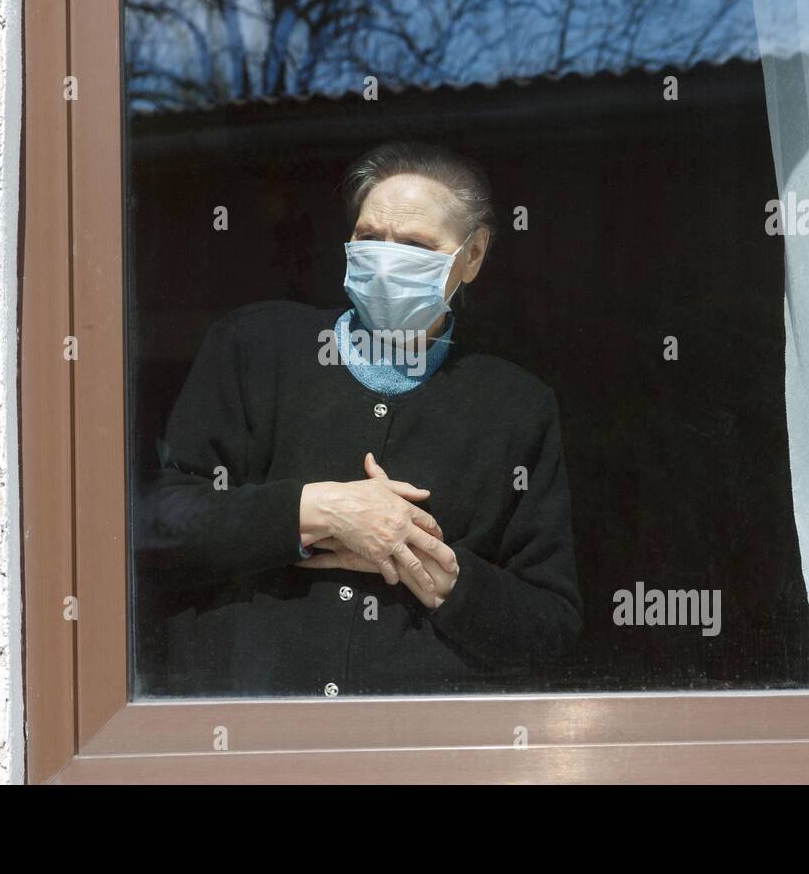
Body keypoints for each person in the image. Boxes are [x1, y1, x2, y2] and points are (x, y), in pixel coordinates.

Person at [134, 140, 583, 696]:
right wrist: (316, 511)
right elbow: (153, 525)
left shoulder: (514, 406)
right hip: (246, 736)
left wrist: (443, 577)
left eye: (417, 245)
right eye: (370, 239)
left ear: (471, 256)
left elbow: (550, 624)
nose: (386, 260)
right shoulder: (255, 347)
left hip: (411, 747)